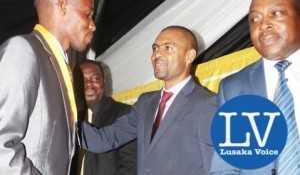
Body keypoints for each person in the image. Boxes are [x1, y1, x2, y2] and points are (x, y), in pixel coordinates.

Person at [79, 25, 217, 175]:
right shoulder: (146, 103)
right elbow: (104, 140)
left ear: (189, 56)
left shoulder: (208, 104)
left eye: (167, 47)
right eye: (155, 48)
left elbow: (217, 168)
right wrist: (62, 116)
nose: (157, 54)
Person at [0, 0, 96, 174]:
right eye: (87, 14)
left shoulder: (60, 66)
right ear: (62, 6)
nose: (93, 25)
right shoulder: (23, 51)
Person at [210, 0, 300, 174]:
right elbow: (224, 169)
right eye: (254, 19)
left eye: (275, 13)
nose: (263, 24)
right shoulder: (233, 88)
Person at [75, 60, 137, 175]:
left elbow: (131, 166)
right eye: (82, 80)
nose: (89, 84)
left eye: (95, 79)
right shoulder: (72, 117)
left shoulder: (124, 114)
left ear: (103, 82)